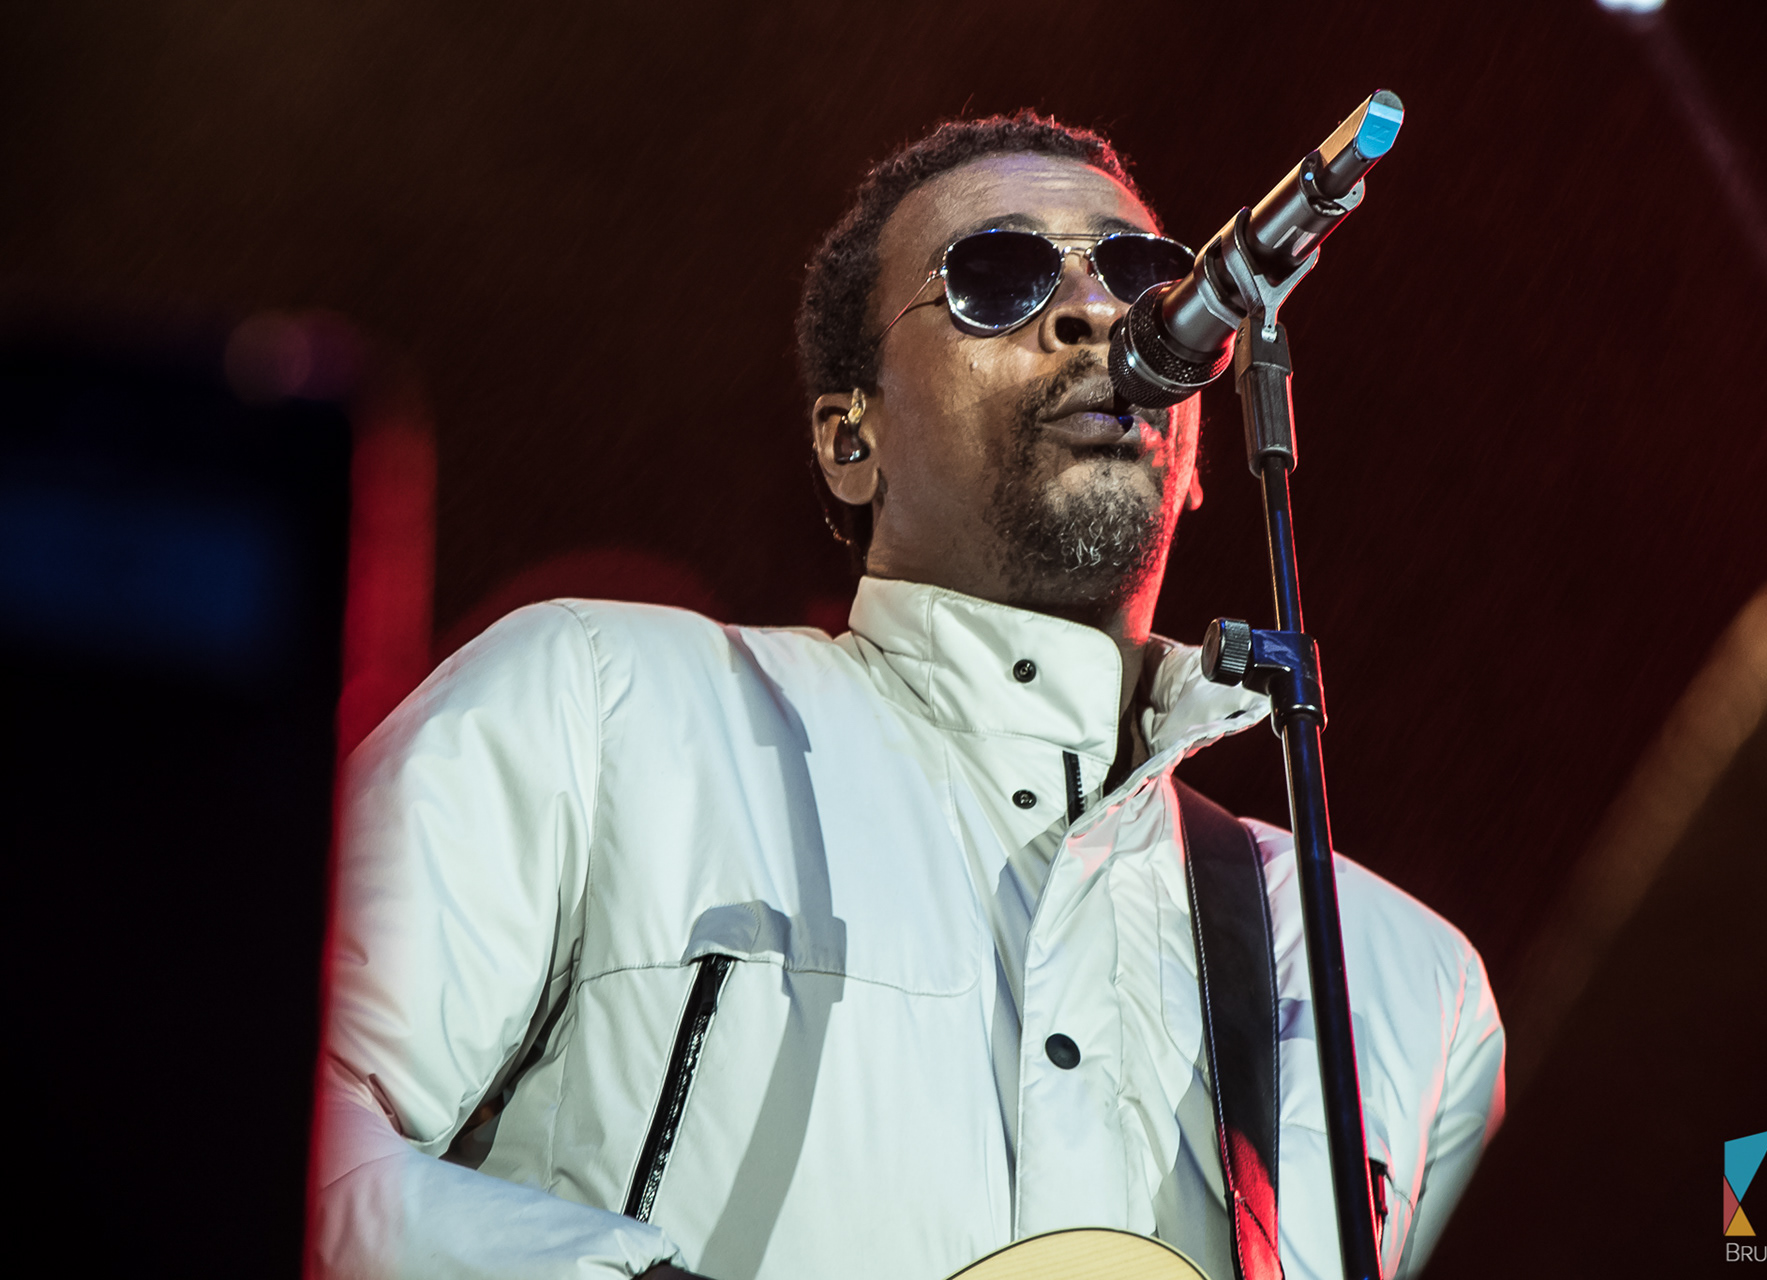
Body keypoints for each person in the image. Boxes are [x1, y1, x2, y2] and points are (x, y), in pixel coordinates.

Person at [310, 112, 1504, 1280]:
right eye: (998, 278)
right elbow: (275, 1121)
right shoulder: (605, 704)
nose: (1095, 312)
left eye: (1143, 276)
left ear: (1193, 449)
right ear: (851, 439)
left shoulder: (1405, 985)